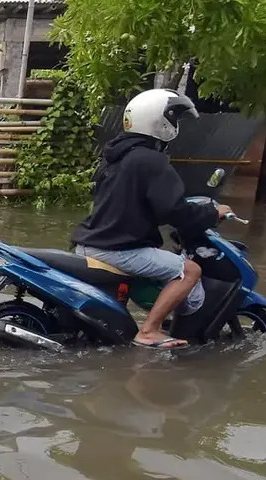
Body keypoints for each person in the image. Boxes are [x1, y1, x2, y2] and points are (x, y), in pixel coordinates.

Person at [71, 89, 231, 350]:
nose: (176, 124)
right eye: (174, 117)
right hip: (117, 250)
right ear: (158, 119)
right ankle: (149, 330)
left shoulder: (115, 157)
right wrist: (213, 213)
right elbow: (174, 212)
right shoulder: (152, 160)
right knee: (190, 270)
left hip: (90, 243)